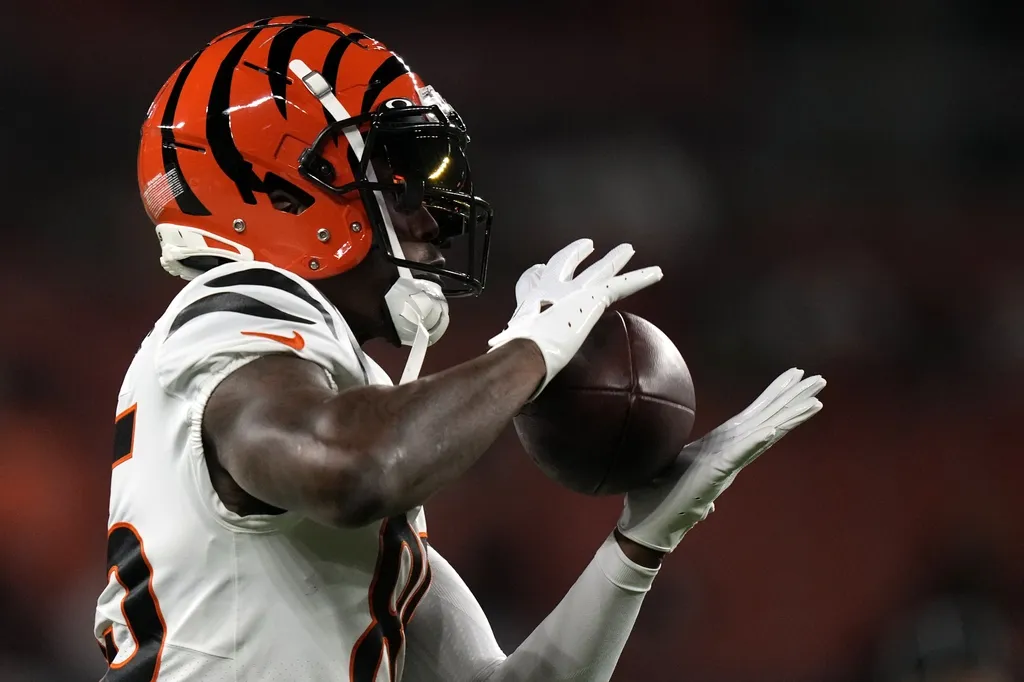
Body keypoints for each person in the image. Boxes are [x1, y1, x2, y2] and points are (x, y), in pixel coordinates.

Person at [95, 16, 826, 681]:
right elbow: (353, 468)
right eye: (398, 184)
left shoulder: (338, 395)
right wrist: (531, 352)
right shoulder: (230, 309)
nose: (431, 221)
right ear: (279, 192)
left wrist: (640, 545)